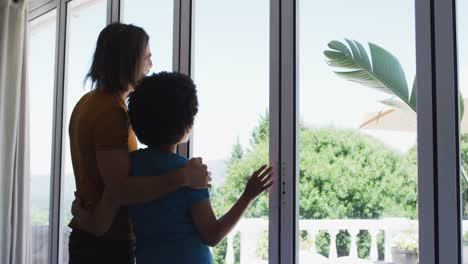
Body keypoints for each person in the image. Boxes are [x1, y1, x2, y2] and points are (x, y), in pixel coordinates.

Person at [67, 23, 210, 264]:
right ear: (128, 61)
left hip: (93, 234)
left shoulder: (88, 102)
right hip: (106, 244)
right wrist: (184, 177)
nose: (150, 65)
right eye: (147, 57)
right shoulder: (110, 112)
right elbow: (120, 189)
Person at [126, 71, 273, 264]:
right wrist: (248, 196)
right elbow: (212, 235)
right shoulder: (190, 174)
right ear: (186, 124)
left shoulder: (130, 165)